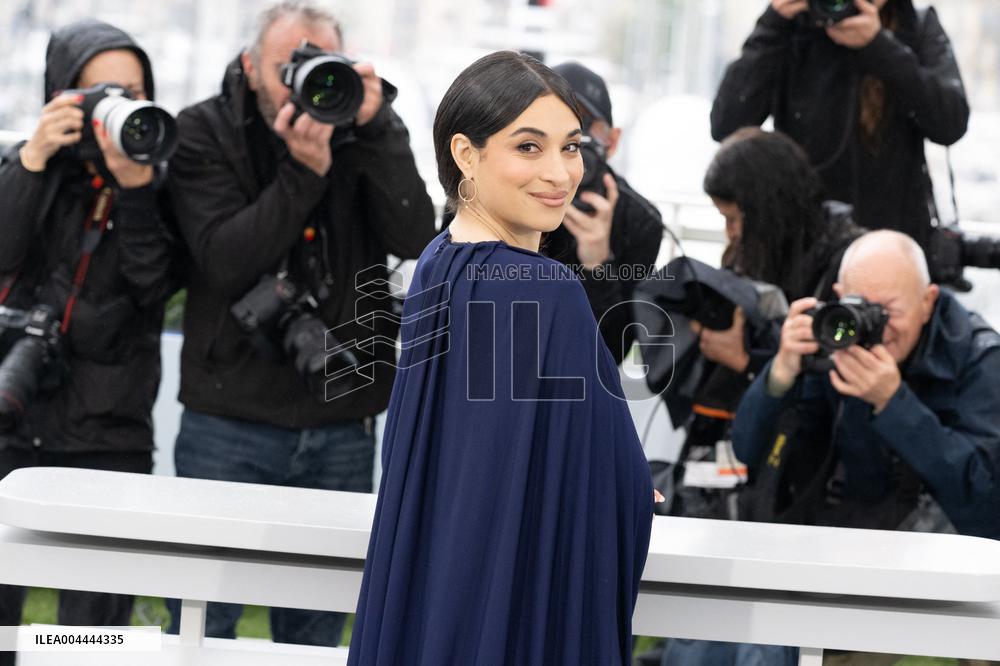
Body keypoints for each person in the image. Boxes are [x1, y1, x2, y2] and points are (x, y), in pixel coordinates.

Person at [348, 51, 655, 665]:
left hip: (437, 589)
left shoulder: (438, 261)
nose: (560, 173)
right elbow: (616, 479)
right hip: (512, 605)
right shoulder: (546, 289)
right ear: (467, 154)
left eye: (571, 147)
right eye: (528, 147)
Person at [165, 0, 436, 647]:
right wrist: (302, 174)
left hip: (341, 417)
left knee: (315, 632)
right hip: (228, 419)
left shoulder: (363, 133)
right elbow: (224, 260)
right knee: (205, 622)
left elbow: (416, 233)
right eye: (292, 63)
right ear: (251, 66)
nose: (309, 80)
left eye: (325, 63)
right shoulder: (203, 132)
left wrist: (379, 127)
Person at [0, 19, 178, 664]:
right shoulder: (24, 160)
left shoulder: (160, 181)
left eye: (134, 90)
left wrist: (135, 195)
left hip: (109, 432)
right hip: (12, 416)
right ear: (62, 95)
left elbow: (152, 289)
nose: (120, 103)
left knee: (91, 640)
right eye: (103, 89)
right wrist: (33, 161)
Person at [655, 128, 863, 666]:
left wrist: (747, 359)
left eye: (733, 217)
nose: (729, 232)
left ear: (766, 207)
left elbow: (835, 385)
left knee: (756, 643)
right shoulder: (758, 249)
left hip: (816, 484)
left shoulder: (848, 262)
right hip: (750, 475)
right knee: (697, 637)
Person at [733, 229, 1000, 541]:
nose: (876, 328)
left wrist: (894, 403)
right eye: (861, 308)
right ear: (839, 294)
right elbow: (749, 451)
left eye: (889, 311)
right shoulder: (835, 342)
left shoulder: (982, 361)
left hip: (936, 552)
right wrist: (779, 375)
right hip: (848, 535)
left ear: (928, 301)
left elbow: (987, 505)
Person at [711, 0, 969, 250]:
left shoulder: (915, 25)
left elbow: (950, 124)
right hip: (802, 246)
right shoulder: (791, 29)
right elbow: (727, 125)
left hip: (889, 246)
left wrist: (879, 46)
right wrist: (773, 23)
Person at [542, 62, 665, 365]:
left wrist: (597, 265)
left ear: (612, 141)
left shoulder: (639, 219)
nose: (574, 146)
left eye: (584, 130)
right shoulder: (503, 192)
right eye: (555, 128)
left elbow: (612, 353)